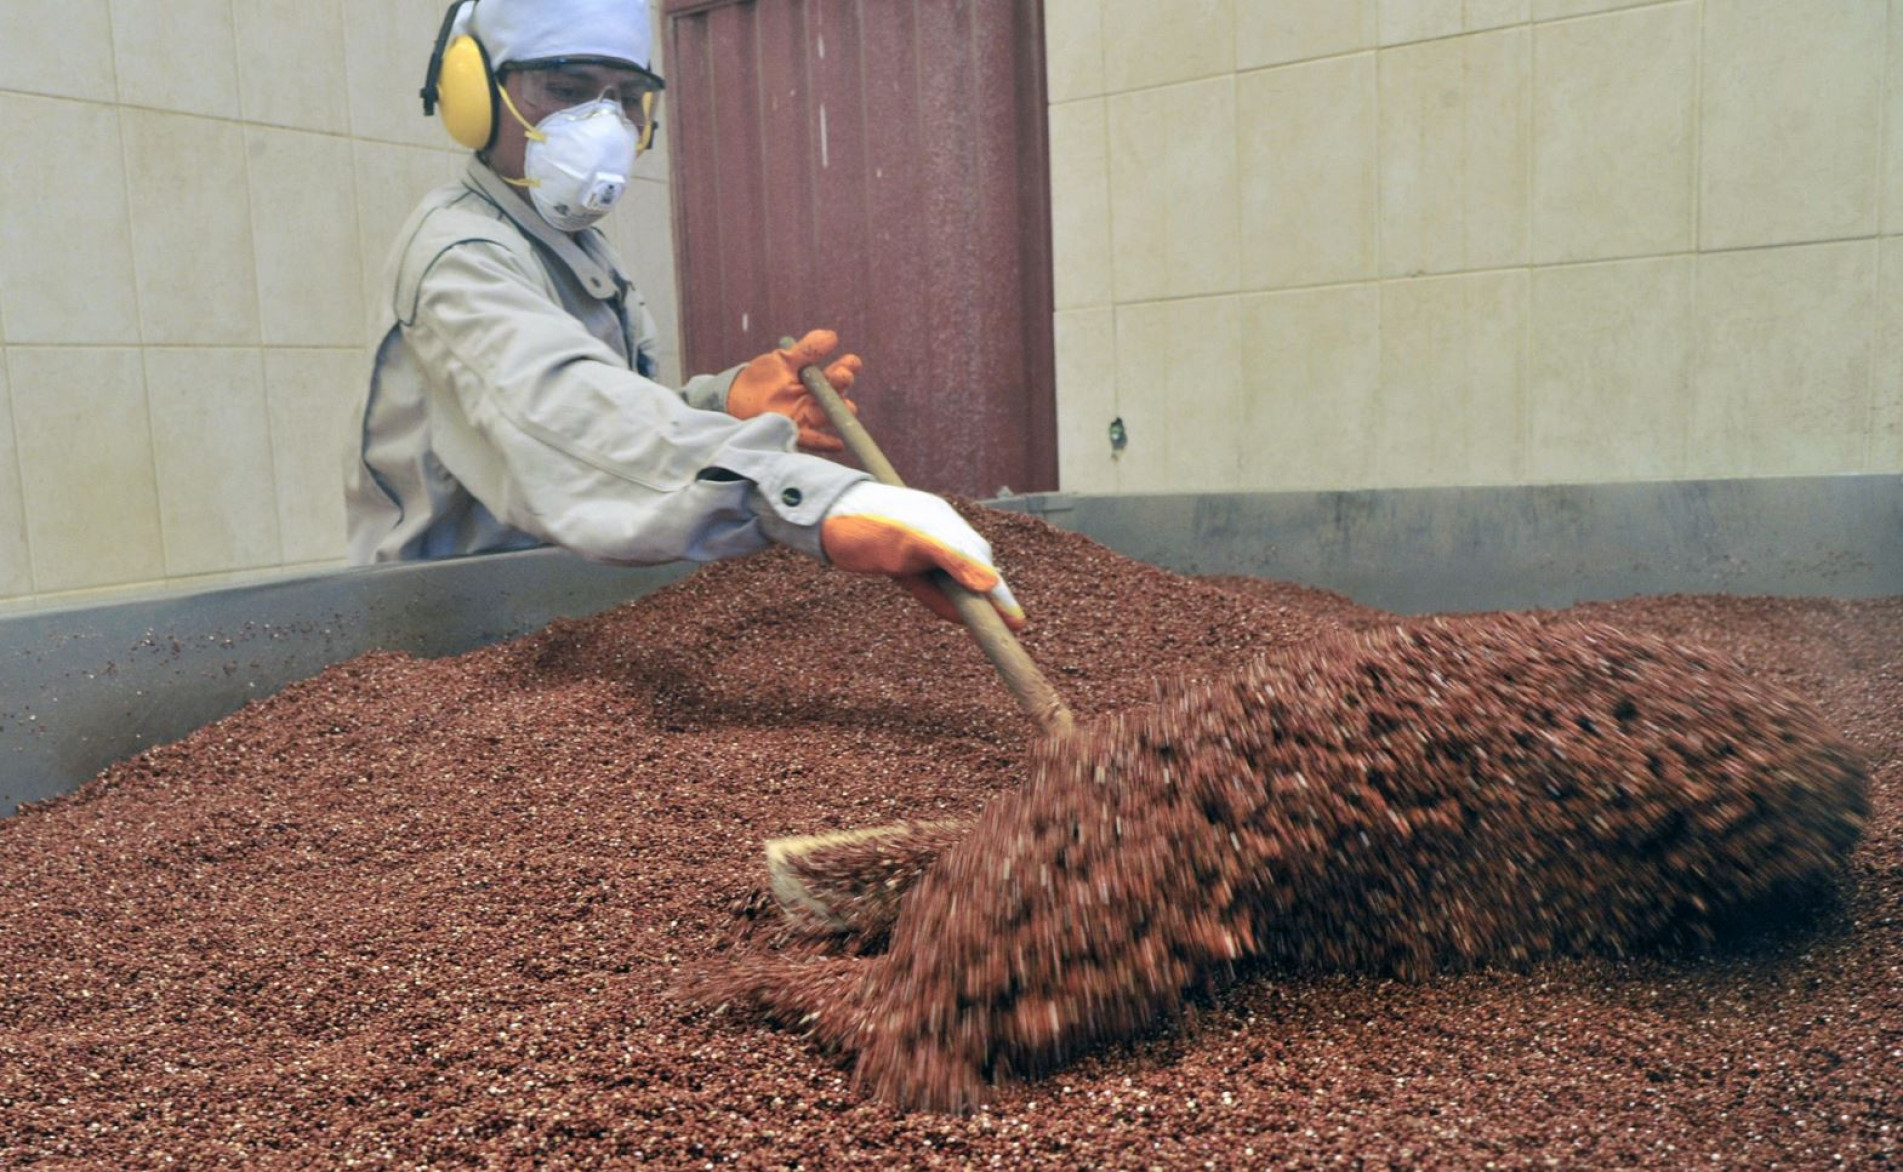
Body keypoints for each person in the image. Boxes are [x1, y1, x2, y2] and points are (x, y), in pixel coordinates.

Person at [345, 0, 1022, 631]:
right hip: (450, 638)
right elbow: (559, 419)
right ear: (473, 97)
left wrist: (719, 403)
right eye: (566, 90)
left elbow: (606, 421)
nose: (603, 125)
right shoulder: (460, 257)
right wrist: (812, 499)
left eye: (625, 99)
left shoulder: (566, 243)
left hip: (550, 615)